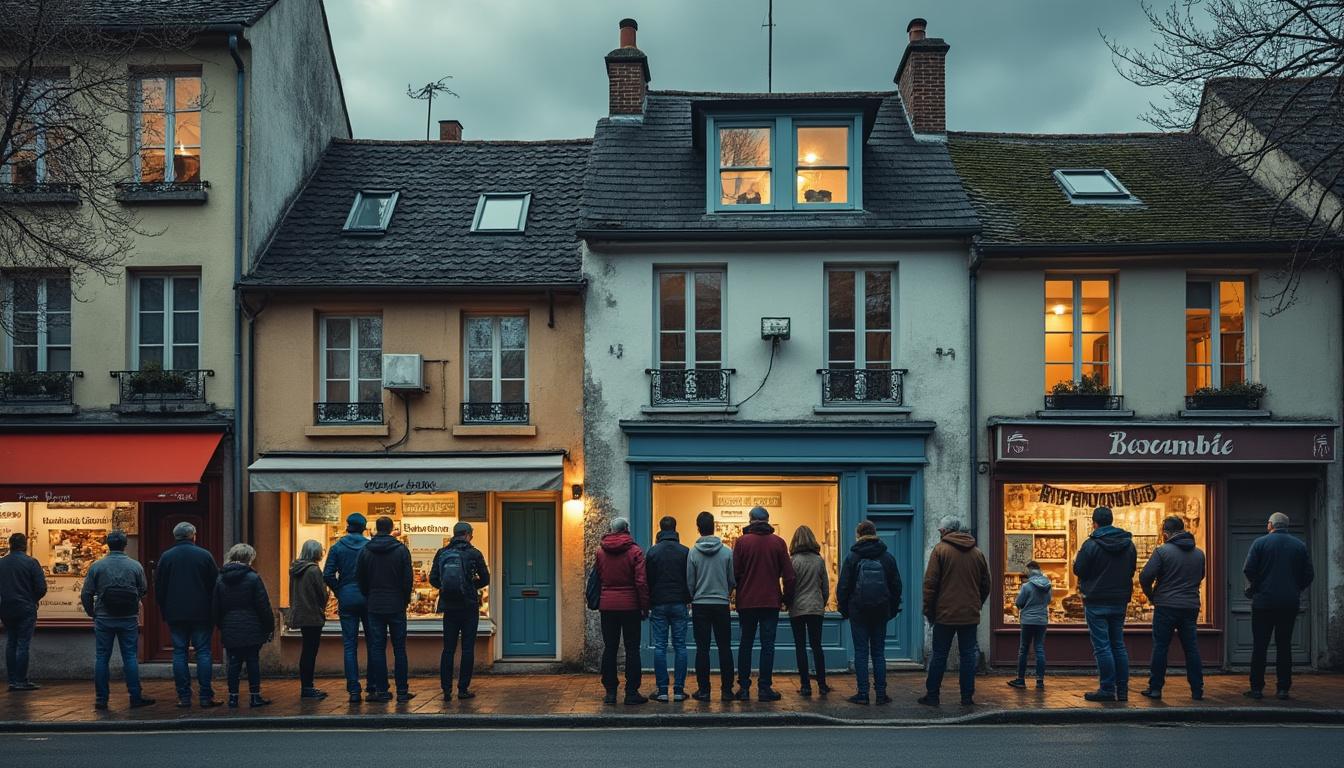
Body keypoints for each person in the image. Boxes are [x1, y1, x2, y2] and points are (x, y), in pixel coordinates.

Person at [1242, 511, 1314, 700]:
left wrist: (1257, 586)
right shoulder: (1299, 545)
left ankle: (1256, 688)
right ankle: (1283, 688)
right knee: (1284, 646)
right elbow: (1309, 574)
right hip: (1288, 603)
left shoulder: (1260, 543)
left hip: (1263, 603)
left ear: (1270, 525)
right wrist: (1296, 588)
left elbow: (1248, 569)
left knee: (1260, 646)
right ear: (1286, 526)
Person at [919, 517, 990, 707]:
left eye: (940, 530)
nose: (939, 533)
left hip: (945, 614)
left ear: (945, 531)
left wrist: (929, 611)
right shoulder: (977, 553)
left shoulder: (940, 550)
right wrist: (976, 603)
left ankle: (932, 695)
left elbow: (930, 584)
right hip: (969, 614)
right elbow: (986, 584)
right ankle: (967, 696)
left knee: (939, 655)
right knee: (967, 656)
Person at [80, 530, 154, 710]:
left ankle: (101, 698)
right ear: (124, 545)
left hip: (104, 617)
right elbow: (144, 589)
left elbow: (86, 593)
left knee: (102, 657)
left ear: (108, 544)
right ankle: (135, 696)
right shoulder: (135, 566)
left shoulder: (97, 566)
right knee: (130, 657)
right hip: (128, 617)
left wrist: (92, 613)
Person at [1073, 506, 1137, 703]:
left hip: (1096, 600)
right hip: (1119, 600)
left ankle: (1107, 688)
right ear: (1111, 521)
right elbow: (1132, 570)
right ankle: (1122, 689)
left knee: (1102, 646)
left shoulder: (1090, 545)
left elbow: (1079, 570)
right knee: (1118, 644)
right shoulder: (1128, 544)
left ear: (1094, 523)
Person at [732, 506, 796, 702]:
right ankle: (764, 687)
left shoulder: (741, 542)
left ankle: (744, 688)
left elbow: (734, 573)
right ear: (768, 521)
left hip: (747, 601)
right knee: (768, 645)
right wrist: (786, 598)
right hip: (770, 601)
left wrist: (737, 591)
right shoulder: (778, 542)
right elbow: (789, 576)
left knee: (746, 644)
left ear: (750, 521)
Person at [1138, 516, 1206, 701]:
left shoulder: (1162, 551)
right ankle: (1197, 689)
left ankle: (1155, 688)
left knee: (1161, 647)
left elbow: (1145, 577)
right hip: (1190, 606)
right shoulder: (1199, 553)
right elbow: (1200, 576)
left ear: (1166, 534)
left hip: (1166, 605)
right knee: (1191, 648)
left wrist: (1152, 595)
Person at [154, 521, 219, 708]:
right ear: (193, 536)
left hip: (176, 612)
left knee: (179, 653)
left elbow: (159, 587)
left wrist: (165, 609)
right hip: (201, 612)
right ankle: (205, 695)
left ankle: (183, 696)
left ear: (175, 536)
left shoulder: (166, 557)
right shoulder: (204, 555)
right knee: (203, 652)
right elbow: (215, 585)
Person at [836, 520, 902, 705]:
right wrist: (892, 609)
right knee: (879, 653)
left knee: (861, 652)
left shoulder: (852, 557)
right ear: (875, 533)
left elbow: (843, 587)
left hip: (858, 611)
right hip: (881, 610)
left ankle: (863, 693)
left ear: (858, 535)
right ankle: (881, 694)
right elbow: (896, 586)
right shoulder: (887, 557)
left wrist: (844, 609)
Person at [356, 516, 415, 703]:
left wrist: (369, 595)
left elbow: (360, 579)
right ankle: (402, 691)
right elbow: (408, 579)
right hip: (396, 603)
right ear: (391, 529)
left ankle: (381, 691)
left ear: (376, 528)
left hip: (375, 604)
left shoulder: (365, 551)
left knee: (377, 648)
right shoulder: (401, 550)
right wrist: (404, 599)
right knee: (400, 649)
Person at [429, 521, 489, 701]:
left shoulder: (442, 552)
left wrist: (446, 588)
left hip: (449, 607)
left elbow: (433, 578)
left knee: (448, 649)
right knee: (467, 648)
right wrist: (470, 586)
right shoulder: (474, 553)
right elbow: (485, 579)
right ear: (468, 535)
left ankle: (446, 690)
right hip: (469, 606)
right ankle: (463, 689)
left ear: (455, 534)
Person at [595, 517, 649, 705]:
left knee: (610, 647)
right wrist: (644, 606)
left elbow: (599, 576)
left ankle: (610, 692)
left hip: (608, 605)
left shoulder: (600, 551)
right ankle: (631, 692)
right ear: (627, 529)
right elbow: (641, 582)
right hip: (630, 605)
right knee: (632, 648)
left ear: (612, 529)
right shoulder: (635, 551)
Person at [214, 543, 275, 708]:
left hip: (230, 625)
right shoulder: (253, 578)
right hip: (252, 625)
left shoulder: (220, 579)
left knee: (233, 662)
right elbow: (263, 605)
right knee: (252, 661)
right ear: (249, 558)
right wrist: (269, 626)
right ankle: (255, 697)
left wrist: (222, 625)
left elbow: (216, 607)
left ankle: (233, 698)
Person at [686, 511, 735, 702]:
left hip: (700, 605)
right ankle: (727, 690)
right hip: (721, 604)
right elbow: (732, 580)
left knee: (702, 649)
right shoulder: (727, 552)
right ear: (713, 526)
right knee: (725, 648)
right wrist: (725, 593)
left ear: (698, 528)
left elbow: (690, 581)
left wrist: (695, 595)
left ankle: (704, 690)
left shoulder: (693, 552)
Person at [323, 513, 371, 703]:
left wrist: (340, 590)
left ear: (348, 526)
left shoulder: (337, 547)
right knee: (374, 643)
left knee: (350, 645)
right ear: (364, 528)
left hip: (347, 598)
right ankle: (372, 685)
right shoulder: (369, 547)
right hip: (368, 598)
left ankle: (353, 689)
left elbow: (327, 574)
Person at [645, 515, 691, 702]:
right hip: (679, 602)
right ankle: (679, 690)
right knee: (680, 646)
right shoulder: (685, 551)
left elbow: (648, 579)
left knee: (660, 646)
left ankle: (662, 690)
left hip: (659, 603)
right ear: (675, 528)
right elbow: (690, 578)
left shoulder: (653, 552)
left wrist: (649, 601)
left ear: (660, 528)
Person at [788, 525, 831, 698]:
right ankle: (822, 684)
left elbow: (789, 586)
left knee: (800, 647)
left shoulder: (793, 561)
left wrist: (788, 602)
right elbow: (825, 587)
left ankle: (805, 685)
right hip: (815, 607)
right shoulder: (819, 560)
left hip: (797, 607)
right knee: (816, 646)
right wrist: (822, 603)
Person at [0, 532, 46, 692]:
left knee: (11, 642)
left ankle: (12, 680)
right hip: (26, 607)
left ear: (10, 545)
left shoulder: (2, 563)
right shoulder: (31, 563)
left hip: (6, 608)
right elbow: (41, 588)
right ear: (25, 545)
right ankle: (20, 680)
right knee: (23, 644)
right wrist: (32, 599)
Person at [289, 539, 331, 700]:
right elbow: (322, 594)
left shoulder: (295, 569)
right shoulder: (314, 570)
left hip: (301, 613)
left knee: (306, 650)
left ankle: (306, 686)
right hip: (312, 615)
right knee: (310, 652)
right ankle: (308, 687)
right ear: (316, 553)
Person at [1007, 561, 1052, 691]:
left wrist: (1024, 605)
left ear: (1030, 570)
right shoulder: (1048, 585)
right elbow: (1049, 601)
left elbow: (1019, 602)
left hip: (1027, 620)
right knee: (1039, 648)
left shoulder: (1026, 586)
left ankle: (1021, 679)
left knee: (1024, 649)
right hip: (1042, 620)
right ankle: (1040, 681)